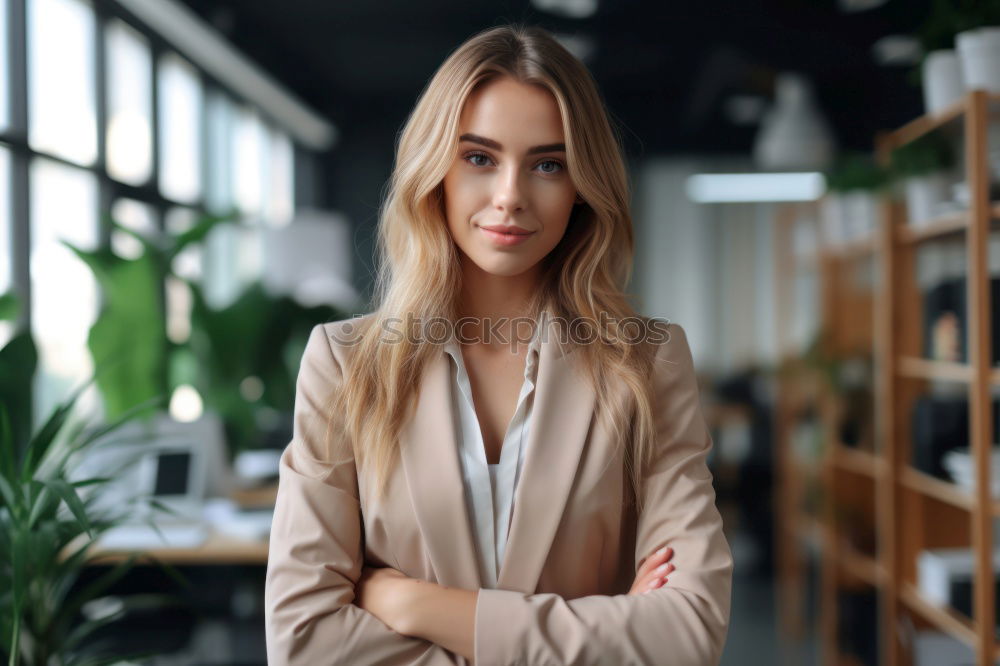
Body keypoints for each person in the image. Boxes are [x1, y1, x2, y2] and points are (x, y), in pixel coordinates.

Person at [264, 23, 733, 666]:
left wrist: (415, 606)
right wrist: (601, 635)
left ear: (581, 186)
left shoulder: (647, 363)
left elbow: (688, 634)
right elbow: (304, 643)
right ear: (436, 171)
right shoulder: (345, 365)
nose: (510, 196)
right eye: (479, 158)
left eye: (548, 164)